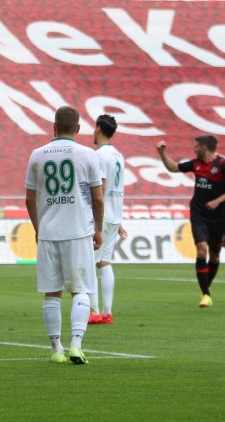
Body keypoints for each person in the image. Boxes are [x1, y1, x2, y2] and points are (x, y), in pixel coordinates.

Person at [25, 105, 104, 365]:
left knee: (52, 292)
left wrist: (38, 228)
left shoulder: (37, 155)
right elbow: (98, 198)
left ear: (54, 127)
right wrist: (99, 229)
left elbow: (29, 198)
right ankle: (76, 345)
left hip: (48, 232)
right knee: (81, 290)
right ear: (79, 129)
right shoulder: (88, 155)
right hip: (78, 231)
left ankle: (55, 348)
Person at [157, 135, 225, 307]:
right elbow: (174, 168)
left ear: (204, 147)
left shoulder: (223, 165)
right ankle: (205, 293)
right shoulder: (195, 163)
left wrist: (218, 200)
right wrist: (161, 153)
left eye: (195, 146)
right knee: (202, 249)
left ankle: (205, 286)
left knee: (215, 255)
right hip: (199, 214)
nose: (193, 149)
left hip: (219, 217)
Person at [88, 114, 127, 325]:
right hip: (114, 215)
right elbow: (116, 187)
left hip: (102, 217)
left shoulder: (99, 155)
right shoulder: (118, 155)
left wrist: (95, 219)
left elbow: (101, 188)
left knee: (90, 262)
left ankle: (93, 312)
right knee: (105, 262)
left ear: (98, 129)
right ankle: (107, 312)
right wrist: (117, 219)